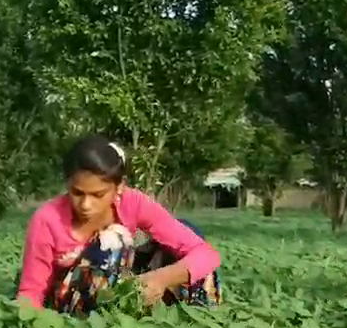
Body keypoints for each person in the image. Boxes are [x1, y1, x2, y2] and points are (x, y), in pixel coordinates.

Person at [15, 134, 221, 315]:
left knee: (190, 242)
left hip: (121, 288)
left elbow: (206, 254)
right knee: (115, 239)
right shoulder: (47, 219)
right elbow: (31, 291)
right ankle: (97, 324)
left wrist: (160, 279)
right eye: (77, 193)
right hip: (71, 305)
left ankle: (199, 324)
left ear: (119, 186)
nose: (86, 204)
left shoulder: (133, 203)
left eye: (98, 195)